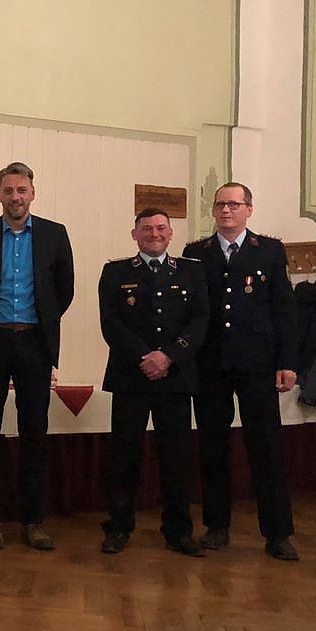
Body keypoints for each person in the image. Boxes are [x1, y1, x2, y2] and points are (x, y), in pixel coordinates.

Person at [0, 161, 74, 551]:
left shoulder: (55, 235)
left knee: (34, 434)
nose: (15, 197)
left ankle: (33, 520)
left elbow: (64, 290)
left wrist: (41, 321)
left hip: (35, 343)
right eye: (8, 190)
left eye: (21, 190)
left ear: (32, 193)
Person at [182, 182, 300, 561]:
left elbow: (284, 309)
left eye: (234, 204)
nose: (226, 210)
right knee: (212, 447)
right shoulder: (195, 253)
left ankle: (277, 534)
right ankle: (216, 526)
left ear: (249, 209)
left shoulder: (269, 250)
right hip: (211, 365)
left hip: (257, 364)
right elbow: (190, 313)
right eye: (221, 204)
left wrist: (287, 362)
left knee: (266, 447)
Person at [97, 208, 208, 557]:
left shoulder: (191, 271)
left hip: (175, 378)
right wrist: (145, 357)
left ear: (171, 233)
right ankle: (119, 527)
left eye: (161, 228)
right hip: (131, 377)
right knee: (124, 456)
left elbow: (201, 319)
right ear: (135, 234)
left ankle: (178, 531)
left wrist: (169, 356)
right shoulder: (115, 272)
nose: (154, 234)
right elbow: (111, 323)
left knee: (176, 458)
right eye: (146, 228)